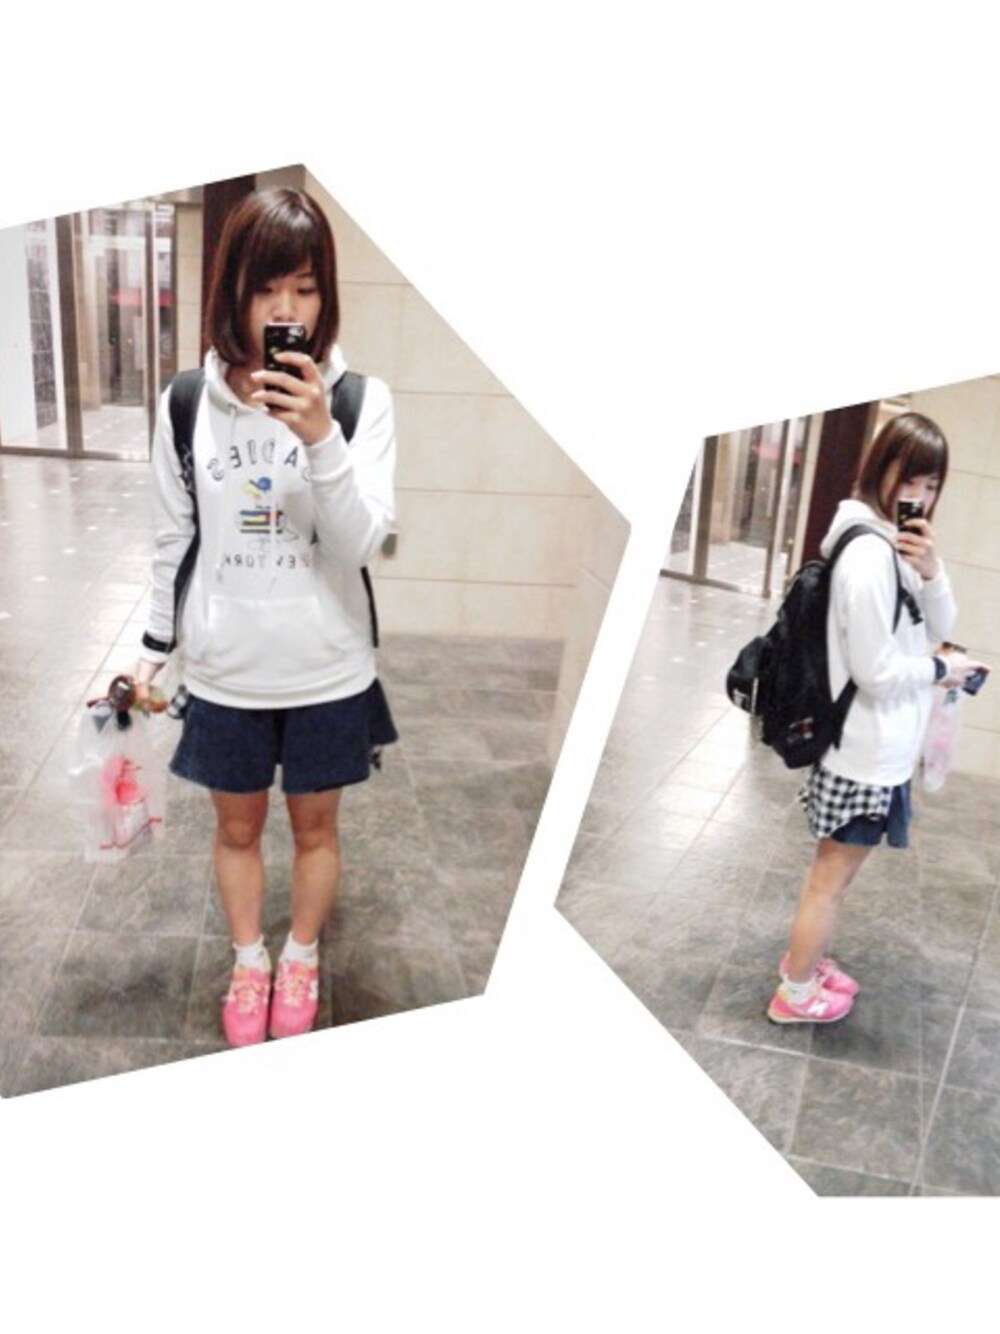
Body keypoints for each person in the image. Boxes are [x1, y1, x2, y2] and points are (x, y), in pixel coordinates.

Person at [132, 187, 398, 1046]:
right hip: (227, 669)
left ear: (326, 297)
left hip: (326, 667)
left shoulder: (361, 402)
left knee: (316, 829)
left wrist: (321, 437)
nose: (287, 310)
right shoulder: (186, 404)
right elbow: (173, 540)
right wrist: (151, 652)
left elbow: (360, 544)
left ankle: (302, 954)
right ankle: (251, 961)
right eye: (266, 288)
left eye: (306, 288)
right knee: (236, 828)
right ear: (232, 292)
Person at [768, 411, 985, 1024]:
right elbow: (877, 671)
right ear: (879, 469)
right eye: (909, 478)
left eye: (932, 484)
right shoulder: (868, 554)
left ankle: (806, 963)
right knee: (828, 881)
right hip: (863, 750)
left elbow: (939, 624)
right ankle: (795, 994)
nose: (920, 496)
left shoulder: (892, 545)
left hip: (876, 745)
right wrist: (942, 670)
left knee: (833, 877)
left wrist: (932, 571)